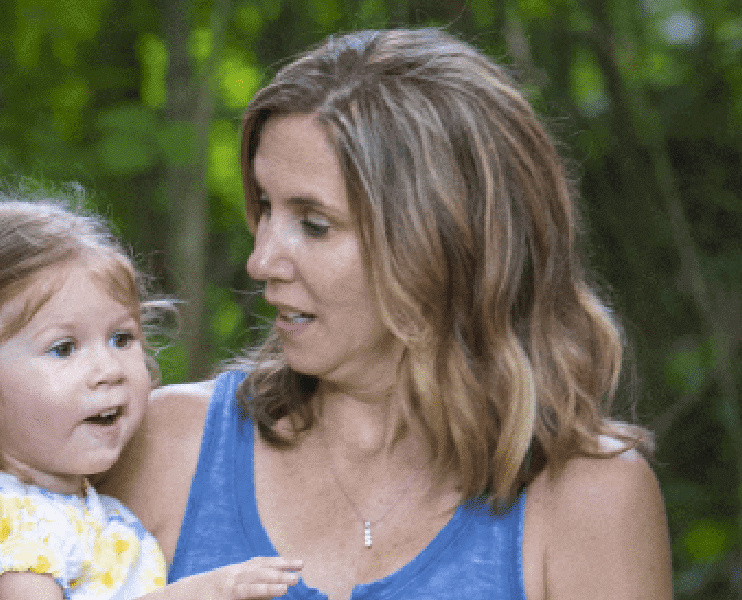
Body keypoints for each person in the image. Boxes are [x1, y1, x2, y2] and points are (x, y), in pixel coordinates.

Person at [101, 28, 672, 600]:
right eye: (267, 209)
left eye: (315, 224)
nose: (261, 260)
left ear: (442, 243)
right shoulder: (168, 445)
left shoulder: (590, 499)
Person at [0, 184, 303, 600]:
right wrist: (200, 593)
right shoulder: (9, 520)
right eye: (63, 348)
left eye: (122, 338)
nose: (108, 369)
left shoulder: (77, 509)